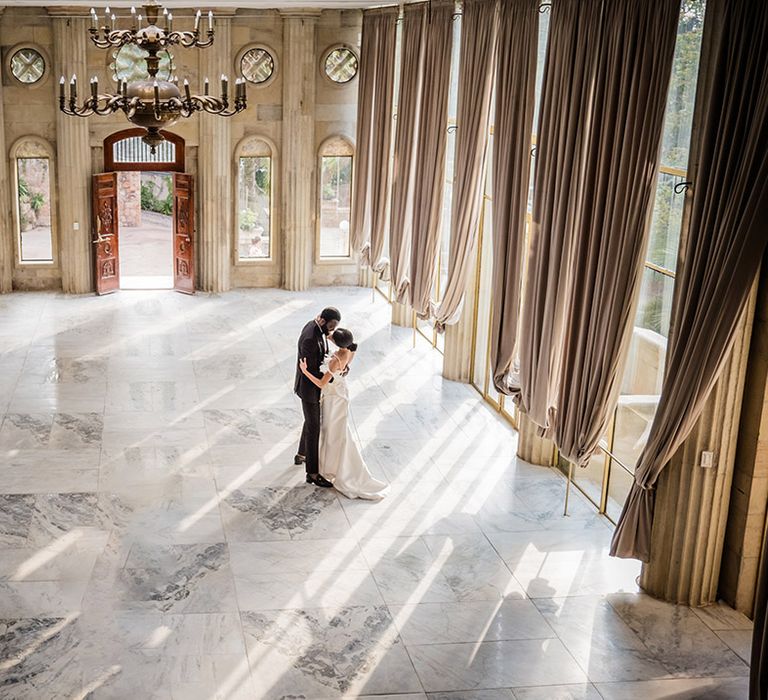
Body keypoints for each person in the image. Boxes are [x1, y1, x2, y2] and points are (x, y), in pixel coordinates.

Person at [300, 328, 389, 500]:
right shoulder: (349, 351)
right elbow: (345, 353)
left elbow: (320, 383)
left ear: (338, 342)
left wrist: (305, 371)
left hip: (333, 398)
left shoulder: (335, 361)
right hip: (341, 394)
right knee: (338, 431)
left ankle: (332, 466)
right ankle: (332, 463)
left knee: (331, 431)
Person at [294, 307, 341, 487]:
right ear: (322, 320)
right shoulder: (310, 339)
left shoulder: (315, 327)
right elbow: (310, 371)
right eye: (331, 325)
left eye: (335, 326)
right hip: (308, 389)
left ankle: (302, 454)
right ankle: (312, 473)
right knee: (314, 427)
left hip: (311, 386)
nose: (332, 329)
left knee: (310, 420)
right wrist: (330, 376)